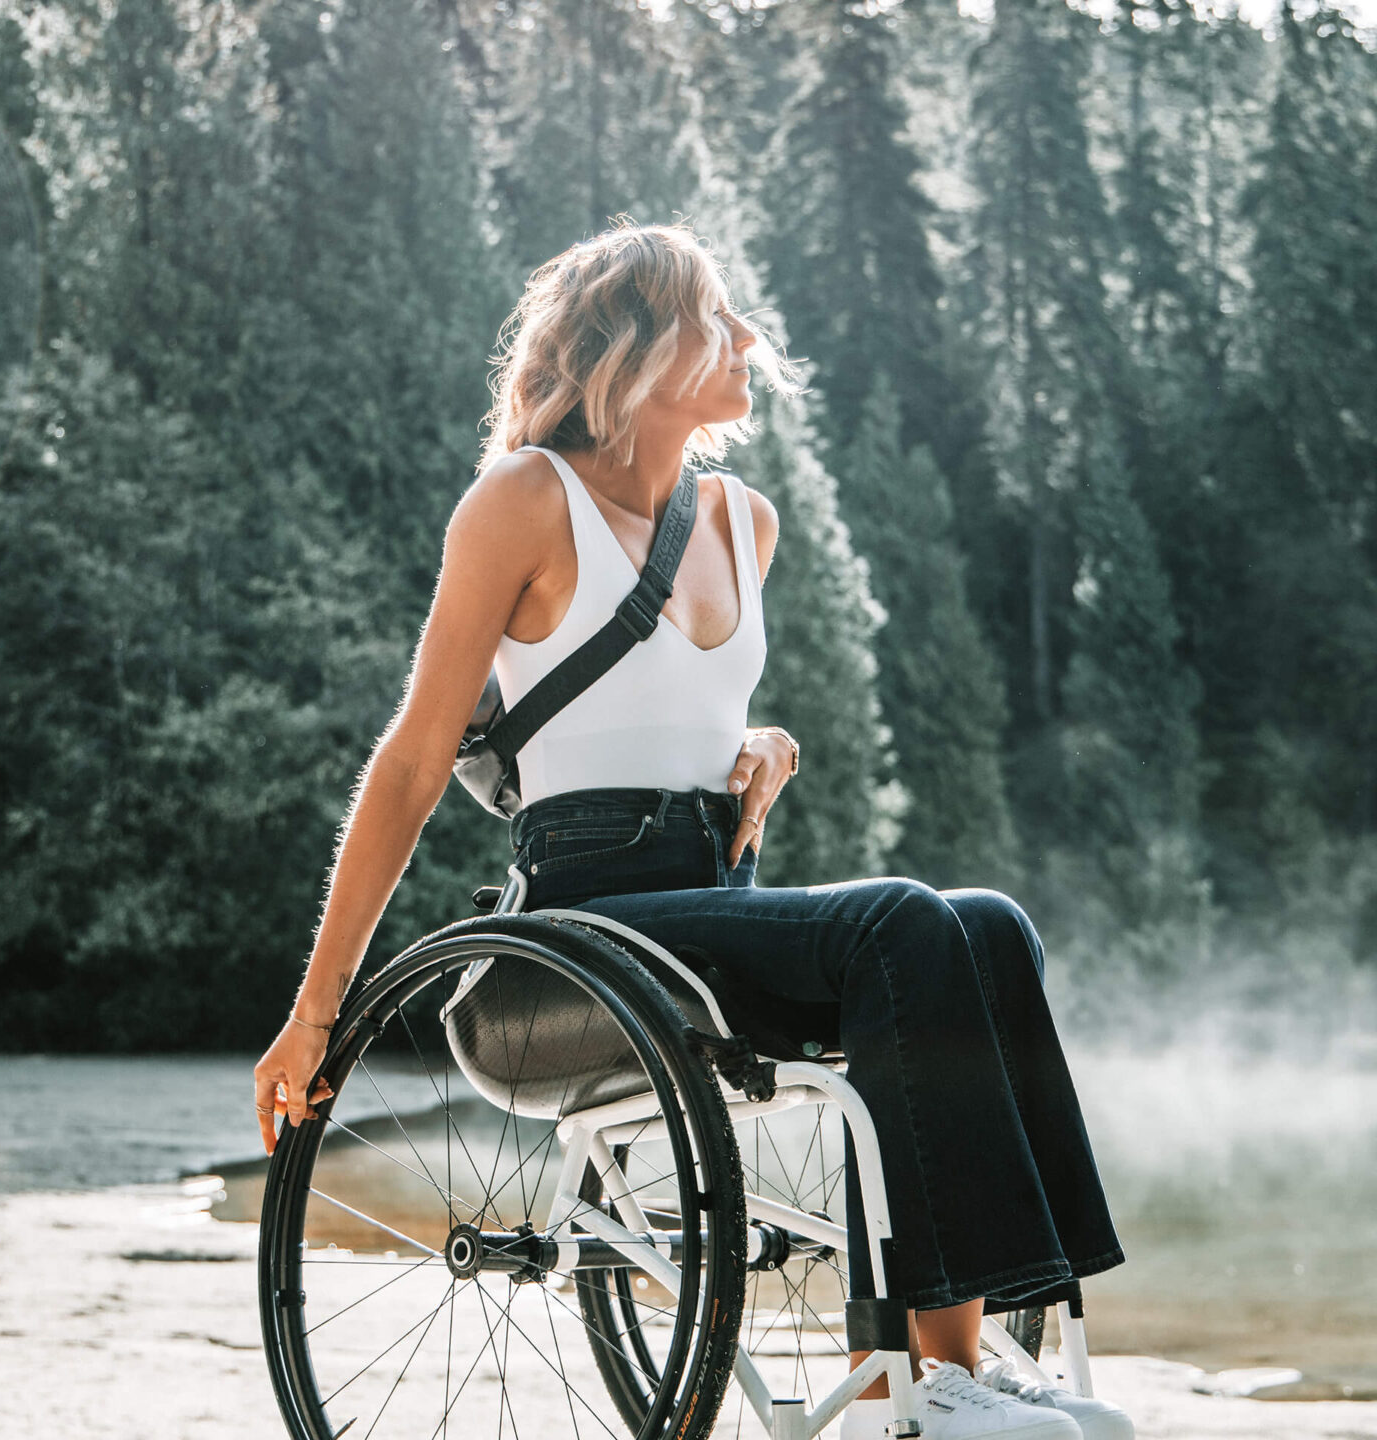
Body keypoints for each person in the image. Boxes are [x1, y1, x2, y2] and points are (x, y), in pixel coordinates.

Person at [254, 218, 1132, 1440]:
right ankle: (934, 1384)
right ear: (640, 345)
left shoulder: (743, 521)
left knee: (986, 927)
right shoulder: (521, 500)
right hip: (575, 932)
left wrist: (758, 742)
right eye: (718, 318)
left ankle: (968, 1353)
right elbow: (411, 760)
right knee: (901, 922)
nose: (749, 340)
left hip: (711, 898)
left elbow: (666, 703)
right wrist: (317, 1012)